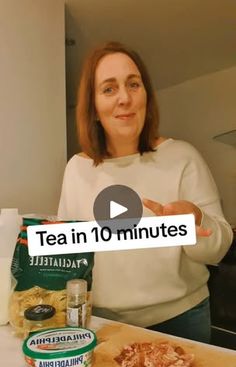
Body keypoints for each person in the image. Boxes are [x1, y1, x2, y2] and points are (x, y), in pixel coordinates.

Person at [58, 41, 233, 343]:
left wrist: (196, 220)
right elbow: (68, 254)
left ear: (146, 97)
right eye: (109, 89)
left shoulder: (182, 157)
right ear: (94, 108)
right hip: (102, 323)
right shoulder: (76, 169)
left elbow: (217, 249)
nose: (125, 98)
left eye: (133, 84)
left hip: (182, 321)